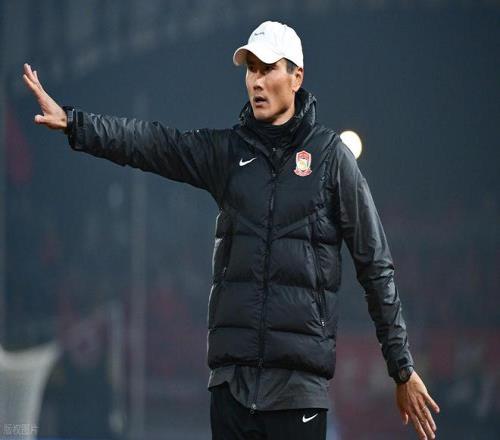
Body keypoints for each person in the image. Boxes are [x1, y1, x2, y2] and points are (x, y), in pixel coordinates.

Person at [22, 20, 440, 440]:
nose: (256, 80)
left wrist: (401, 368)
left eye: (267, 68)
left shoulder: (331, 159)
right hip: (231, 392)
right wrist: (75, 123)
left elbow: (375, 265)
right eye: (250, 69)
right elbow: (151, 143)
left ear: (296, 77)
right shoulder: (227, 153)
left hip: (297, 393)